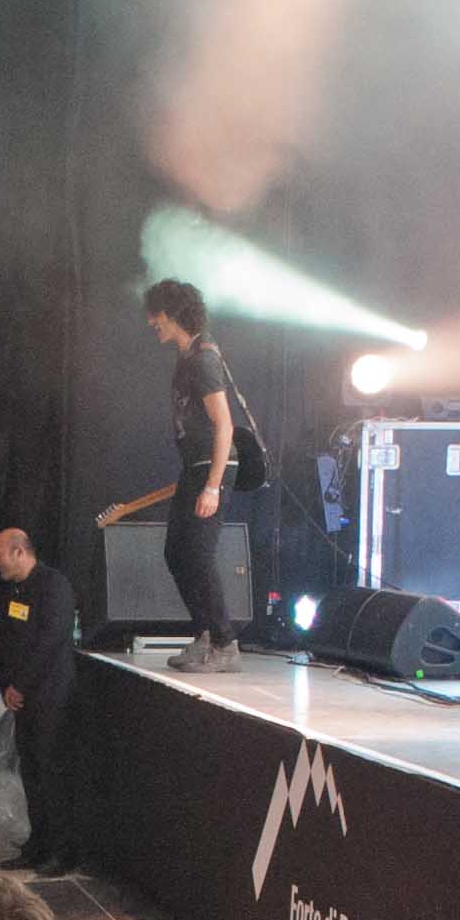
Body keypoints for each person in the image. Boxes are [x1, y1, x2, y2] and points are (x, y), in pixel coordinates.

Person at [140, 280, 256, 673]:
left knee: (200, 555)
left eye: (156, 314)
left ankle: (225, 643)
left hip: (212, 467)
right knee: (176, 552)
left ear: (172, 314)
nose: (151, 322)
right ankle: (205, 634)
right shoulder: (188, 356)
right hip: (196, 466)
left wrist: (212, 486)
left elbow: (224, 425)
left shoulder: (203, 359)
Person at [0, 525, 80, 868]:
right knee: (32, 773)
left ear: (19, 552)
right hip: (22, 700)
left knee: (52, 773)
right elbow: (6, 640)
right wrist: (6, 686)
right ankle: (38, 843)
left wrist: (20, 685)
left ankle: (61, 850)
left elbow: (50, 640)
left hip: (50, 697)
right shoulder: (14, 590)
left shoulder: (54, 585)